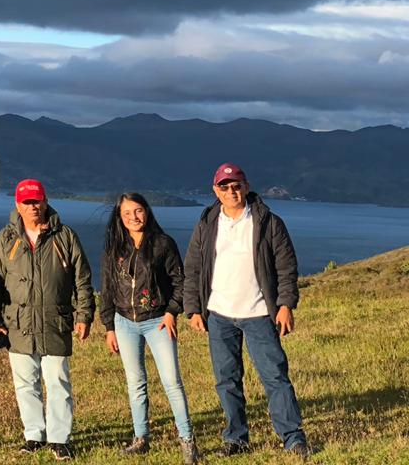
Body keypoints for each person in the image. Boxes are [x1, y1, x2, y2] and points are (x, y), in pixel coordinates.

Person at [184, 163, 309, 459]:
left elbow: (286, 267)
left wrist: (285, 305)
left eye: (236, 185)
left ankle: (292, 438)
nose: (232, 191)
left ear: (247, 186)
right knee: (226, 380)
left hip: (258, 313)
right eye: (225, 187)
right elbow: (193, 267)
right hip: (218, 314)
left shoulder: (268, 222)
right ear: (216, 191)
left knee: (275, 377)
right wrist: (193, 309)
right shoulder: (207, 222)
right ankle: (236, 439)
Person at [0, 179, 94, 461]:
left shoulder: (65, 236)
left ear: (45, 201)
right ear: (17, 205)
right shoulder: (6, 239)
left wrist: (84, 315)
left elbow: (82, 279)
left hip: (54, 320)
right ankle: (34, 435)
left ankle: (59, 439)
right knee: (25, 382)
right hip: (17, 323)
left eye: (37, 201)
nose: (33, 206)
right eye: (27, 202)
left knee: (57, 381)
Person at [101, 192, 199, 463]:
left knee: (172, 383)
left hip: (158, 321)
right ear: (119, 218)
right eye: (127, 213)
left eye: (138, 211)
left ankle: (187, 440)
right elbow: (107, 290)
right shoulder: (114, 249)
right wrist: (109, 326)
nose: (133, 217)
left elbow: (180, 281)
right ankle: (141, 437)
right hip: (124, 322)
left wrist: (171, 312)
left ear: (147, 211)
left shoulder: (163, 244)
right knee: (135, 383)